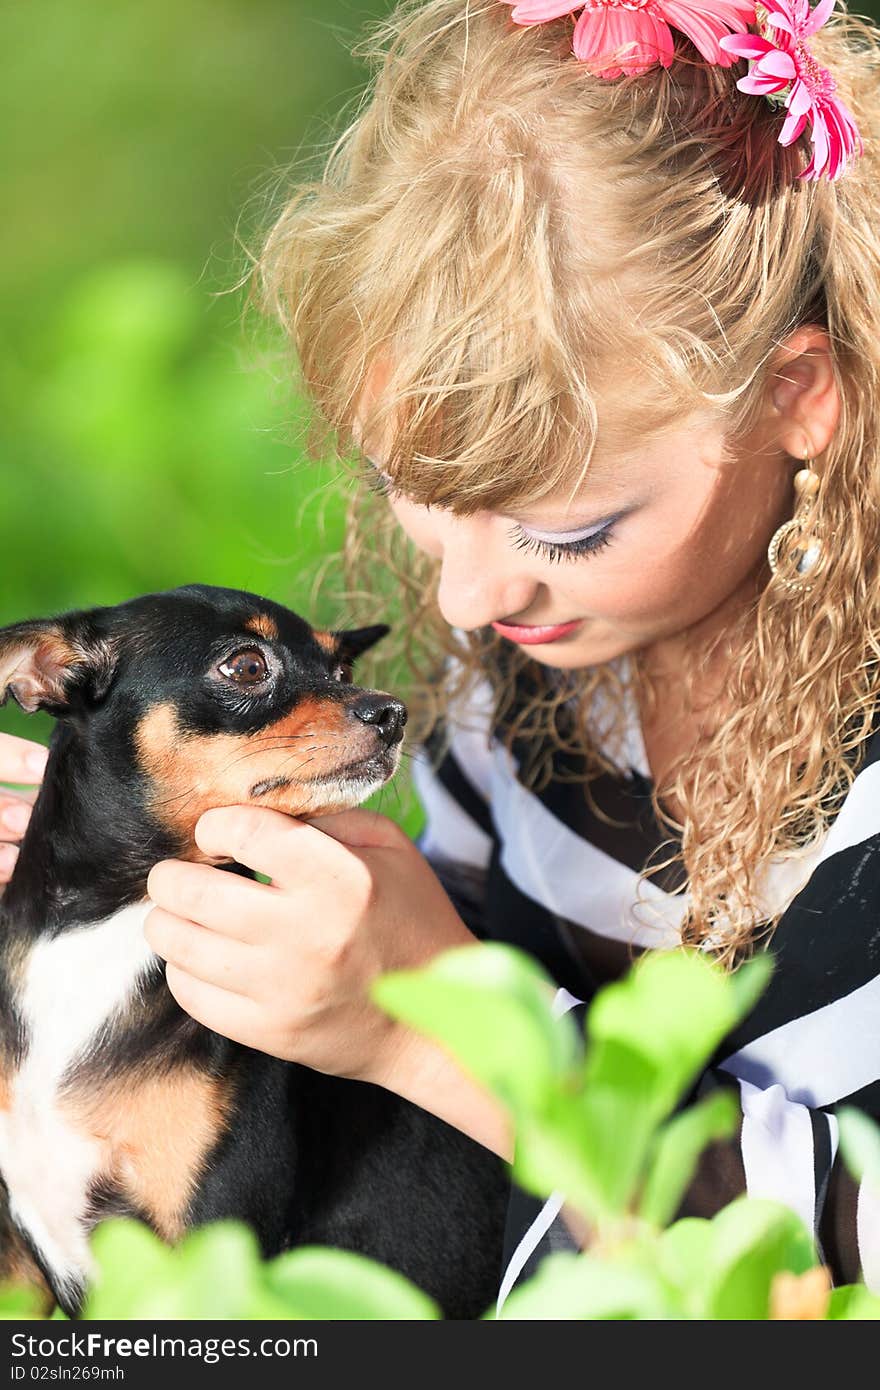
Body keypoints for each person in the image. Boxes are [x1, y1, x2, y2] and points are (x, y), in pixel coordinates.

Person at [4, 0, 880, 1310]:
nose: (464, 599)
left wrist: (431, 1016)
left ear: (798, 398)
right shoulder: (540, 693)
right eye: (405, 483)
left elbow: (829, 1270)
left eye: (569, 526)